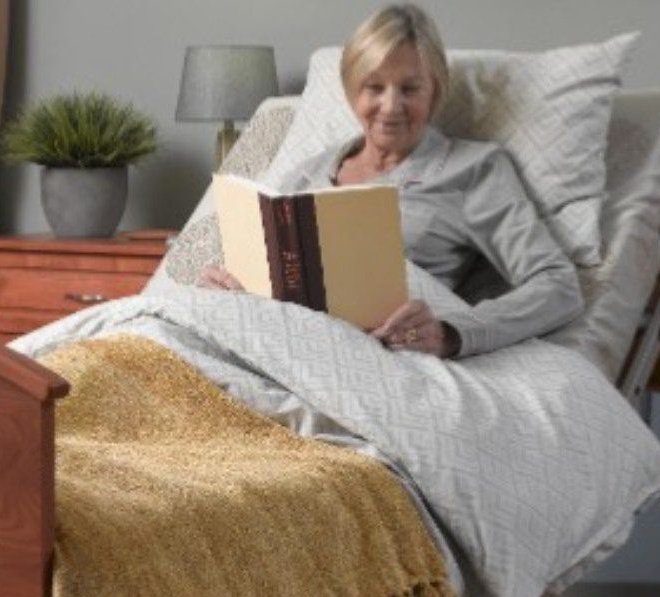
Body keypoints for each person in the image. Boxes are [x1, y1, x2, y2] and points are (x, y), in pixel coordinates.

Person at [199, 4, 582, 359]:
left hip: (376, 354)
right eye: (374, 87)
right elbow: (265, 277)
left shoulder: (472, 171)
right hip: (273, 341)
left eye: (410, 88)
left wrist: (453, 331)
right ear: (352, 92)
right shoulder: (306, 173)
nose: (391, 106)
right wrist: (225, 289)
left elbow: (558, 286)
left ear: (435, 91)